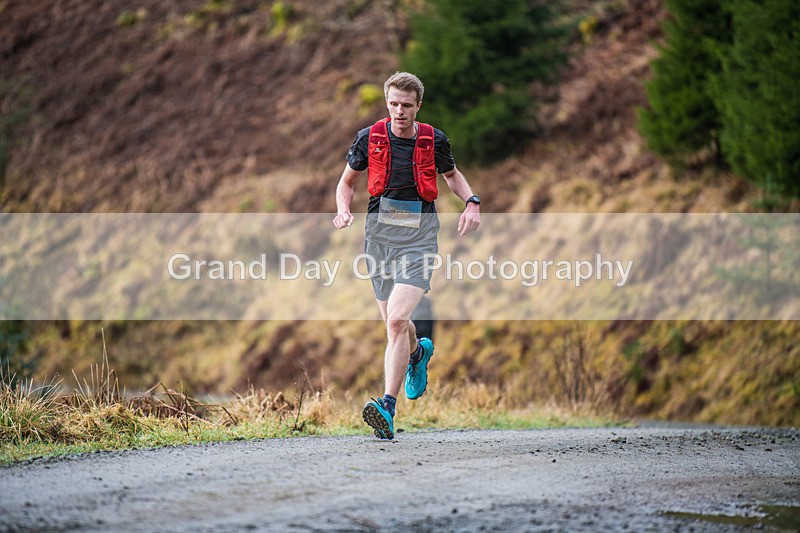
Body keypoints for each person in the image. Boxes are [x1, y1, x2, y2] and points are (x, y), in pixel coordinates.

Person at [332, 71, 481, 440]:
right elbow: (346, 183)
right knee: (394, 325)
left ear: (418, 106)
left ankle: (387, 406)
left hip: (420, 239)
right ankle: (417, 354)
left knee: (397, 322)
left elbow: (452, 176)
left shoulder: (434, 140)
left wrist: (472, 202)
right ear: (387, 103)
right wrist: (343, 210)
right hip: (379, 240)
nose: (399, 111)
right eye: (393, 104)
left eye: (406, 105)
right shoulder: (369, 138)